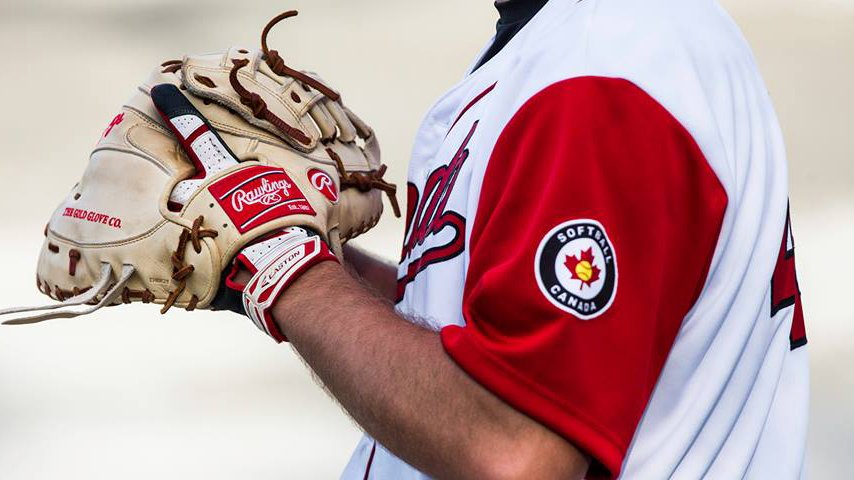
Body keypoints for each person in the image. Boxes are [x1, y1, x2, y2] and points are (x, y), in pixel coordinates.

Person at [229, 0, 809, 477]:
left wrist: (287, 273)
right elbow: (467, 324)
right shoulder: (576, 42)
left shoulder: (601, 68)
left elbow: (519, 452)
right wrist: (264, 242)